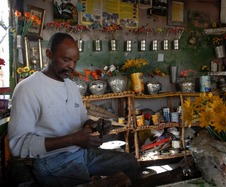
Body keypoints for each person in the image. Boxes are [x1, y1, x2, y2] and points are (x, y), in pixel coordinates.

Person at [8, 32, 139, 187]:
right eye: (66, 59)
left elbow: (81, 117)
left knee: (130, 163)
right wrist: (72, 140)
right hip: (51, 160)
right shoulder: (28, 88)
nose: (71, 66)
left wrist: (93, 123)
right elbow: (18, 145)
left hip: (81, 152)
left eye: (75, 61)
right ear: (49, 54)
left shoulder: (70, 85)